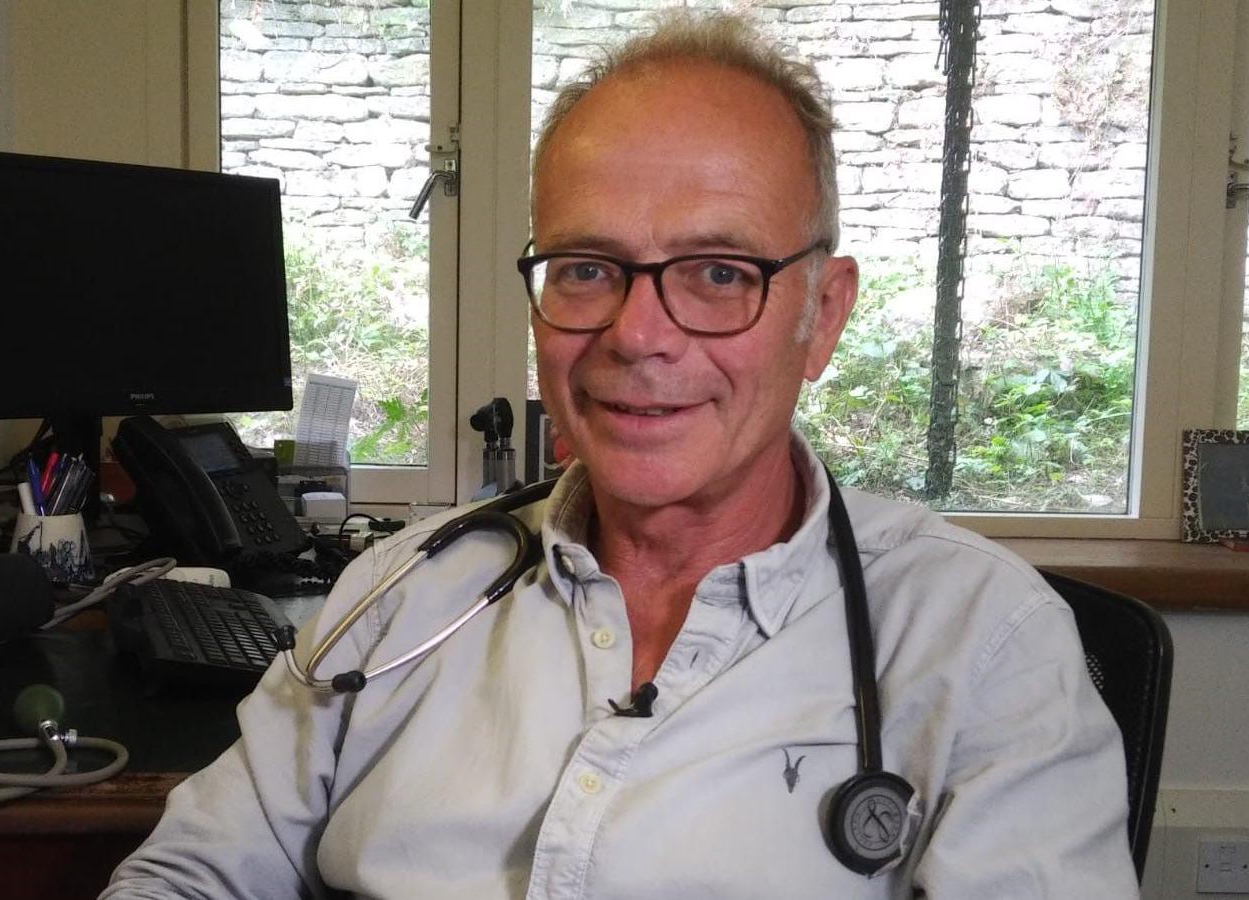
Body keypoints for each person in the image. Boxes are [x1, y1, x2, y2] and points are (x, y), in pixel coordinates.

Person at [102, 12, 1139, 898]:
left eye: (720, 273)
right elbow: (190, 872)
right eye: (588, 268)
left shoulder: (985, 650)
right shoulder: (399, 595)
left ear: (821, 318)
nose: (638, 335)